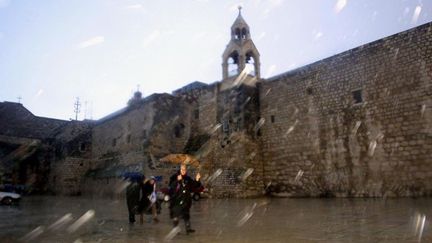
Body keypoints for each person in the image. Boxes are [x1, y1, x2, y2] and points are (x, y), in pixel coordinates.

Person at [169, 164, 201, 234]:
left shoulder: (187, 178)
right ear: (179, 169)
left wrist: (197, 179)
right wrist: (177, 181)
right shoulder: (174, 177)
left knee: (186, 214)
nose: (184, 171)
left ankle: (188, 228)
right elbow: (171, 187)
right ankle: (176, 229)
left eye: (185, 169)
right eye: (182, 169)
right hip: (177, 199)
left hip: (186, 199)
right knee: (176, 215)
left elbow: (193, 187)